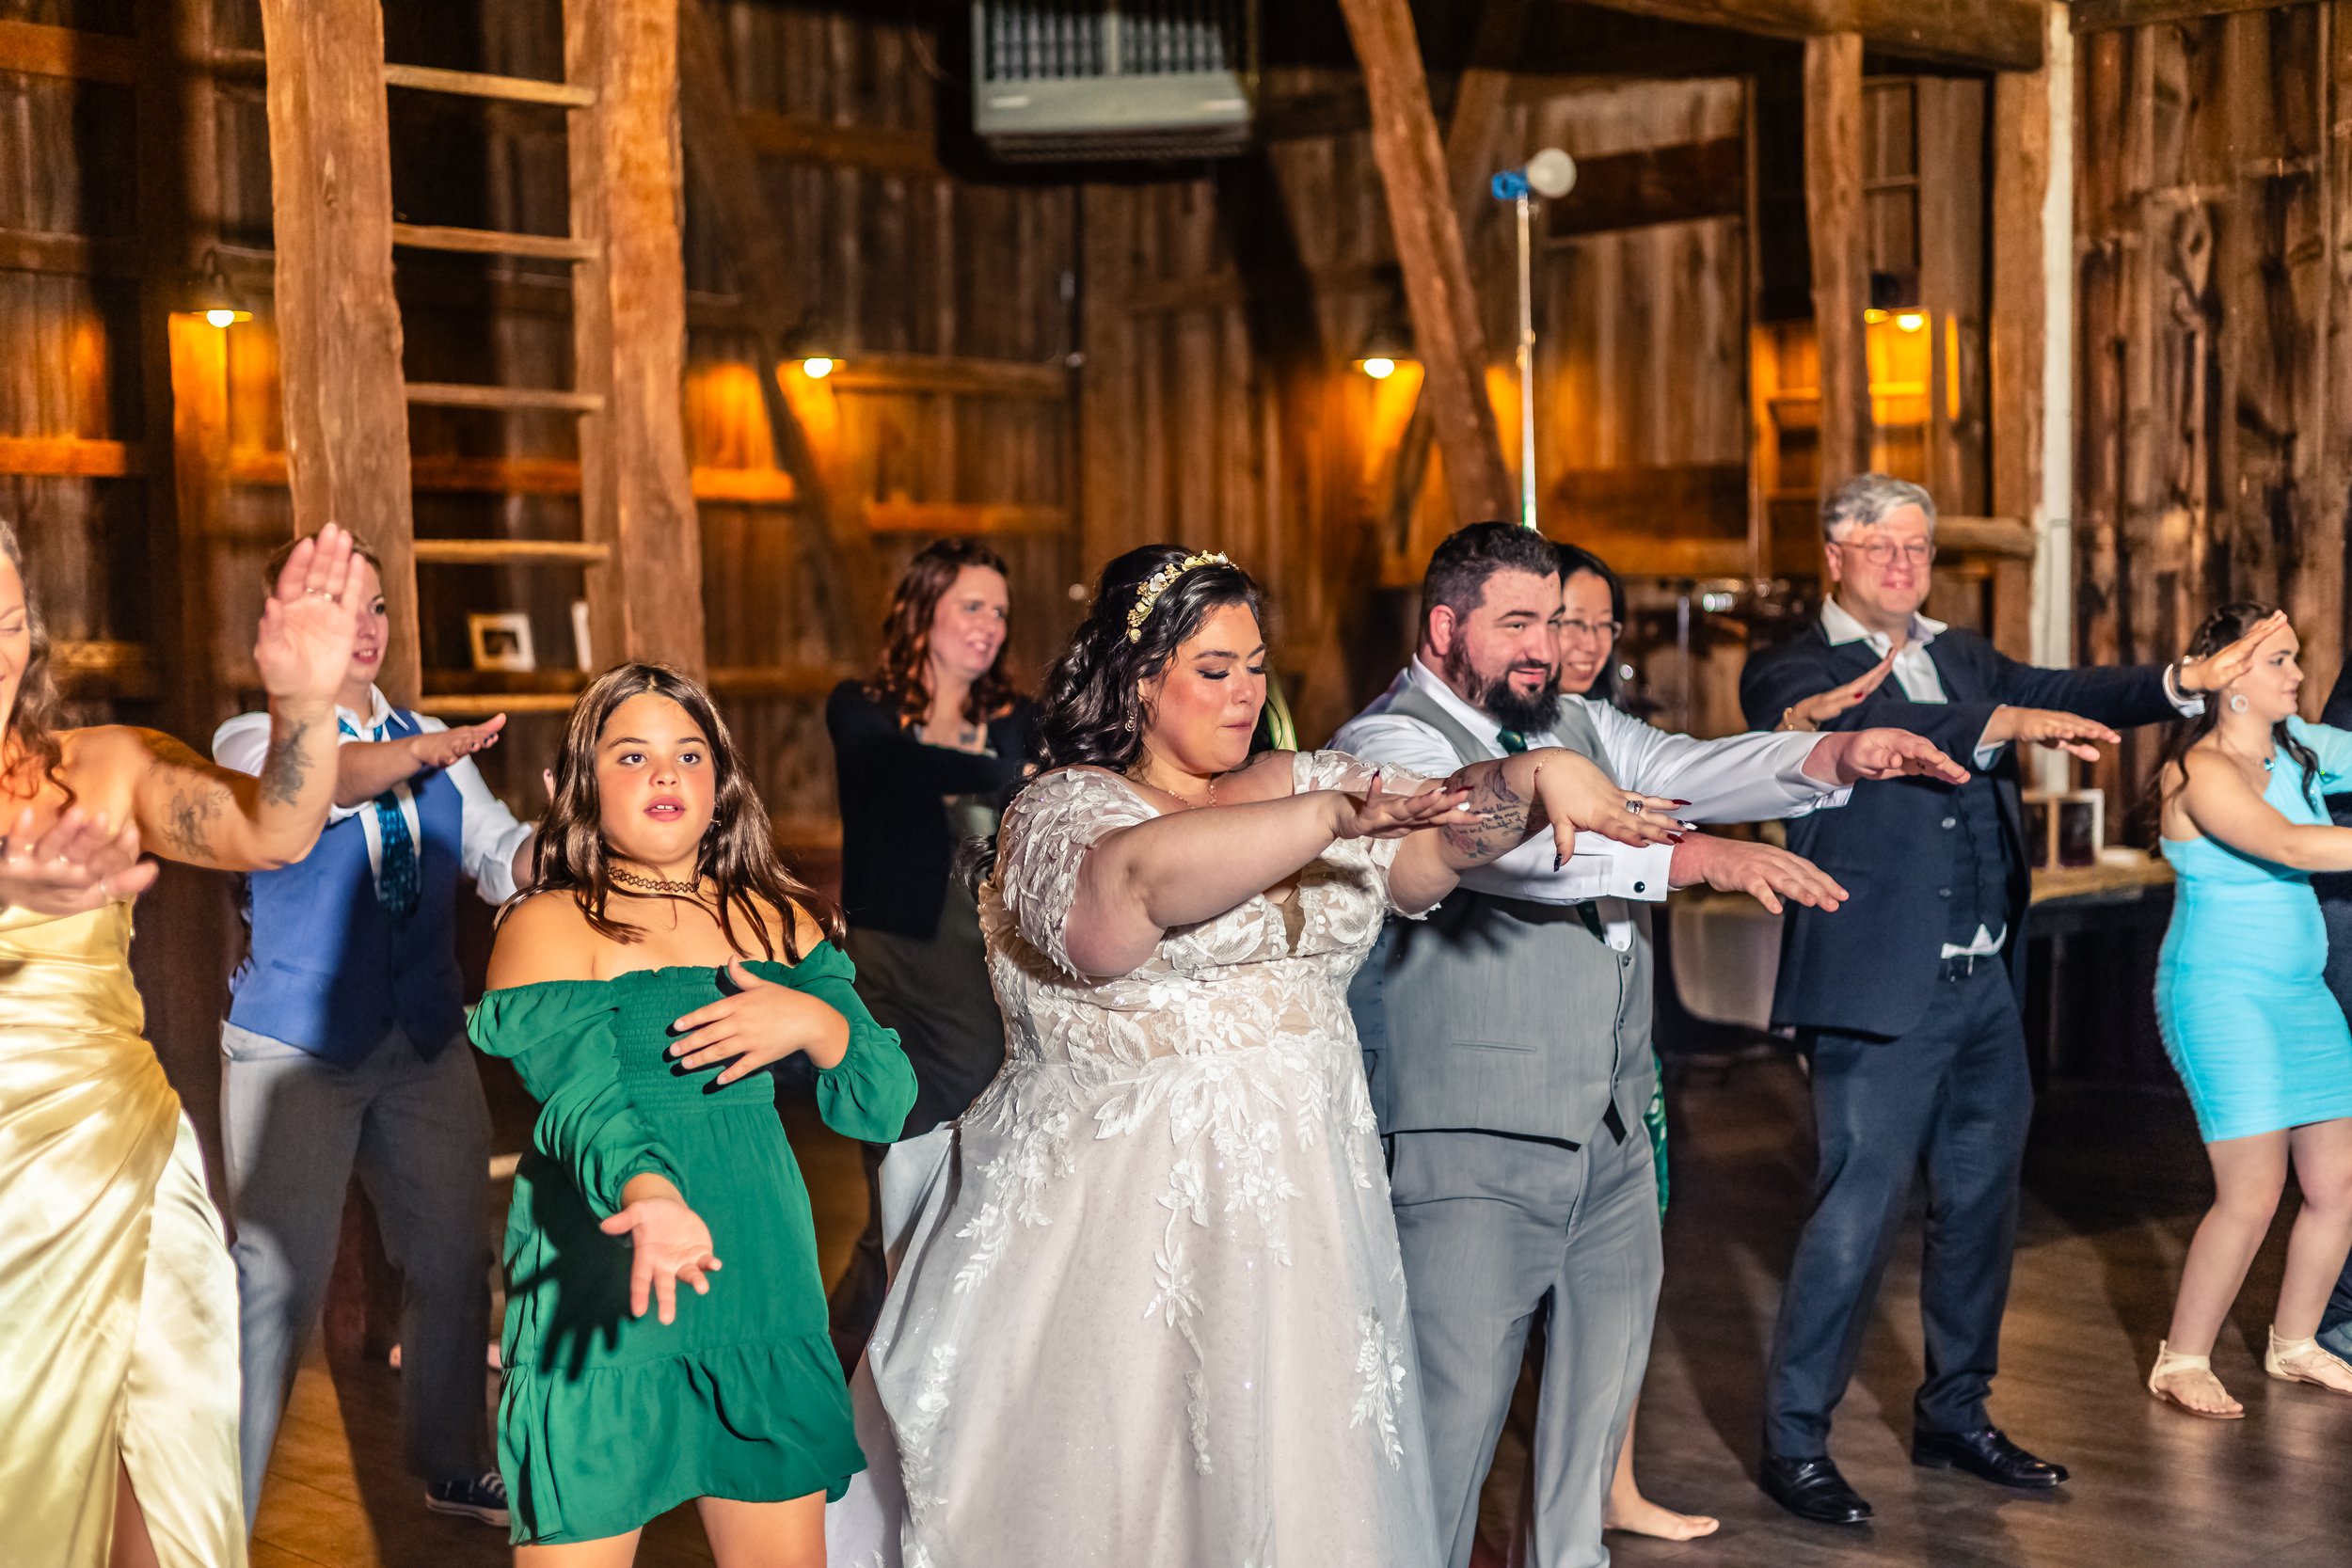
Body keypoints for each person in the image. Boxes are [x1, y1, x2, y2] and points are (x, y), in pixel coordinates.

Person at [832, 544, 1685, 1568]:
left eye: (1256, 665)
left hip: (1301, 1212)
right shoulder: (1062, 809)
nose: (1246, 693)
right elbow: (1123, 907)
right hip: (1122, 1227)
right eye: (1214, 668)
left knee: (1289, 1483)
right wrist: (1325, 817)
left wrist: (1532, 775)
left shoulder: (1297, 776)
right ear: (1140, 678)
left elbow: (1429, 849)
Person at [1333, 523, 1963, 1568]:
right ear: (1445, 626)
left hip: (1613, 1125)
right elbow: (1521, 857)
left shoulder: (1573, 715)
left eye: (1560, 621)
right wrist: (1688, 861)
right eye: (1519, 623)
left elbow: (1690, 767)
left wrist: (1830, 755)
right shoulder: (1389, 742)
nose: (1546, 646)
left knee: (1592, 1421)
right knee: (1447, 1429)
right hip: (1471, 1138)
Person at [1737, 473, 2280, 1526]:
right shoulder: (1789, 666)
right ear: (1835, 555)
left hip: (1983, 979)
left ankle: (1955, 1412)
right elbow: (1882, 720)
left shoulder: (1970, 648)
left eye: (1919, 548)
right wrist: (2007, 716)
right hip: (1876, 990)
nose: (1903, 565)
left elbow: (2068, 686)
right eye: (1881, 546)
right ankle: (1794, 1442)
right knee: (1852, 1219)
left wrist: (2179, 679)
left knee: (1980, 1209)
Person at [469, 661, 915, 1563]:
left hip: (756, 1283)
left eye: (689, 753)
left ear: (721, 783)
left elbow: (882, 1099)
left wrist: (818, 1021)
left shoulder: (780, 920)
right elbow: (581, 1099)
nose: (666, 773)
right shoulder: (547, 923)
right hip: (603, 1281)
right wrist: (653, 1192)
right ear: (579, 787)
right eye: (631, 755)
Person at [0, 521, 364, 1568]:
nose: (2, 652)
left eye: (14, 622)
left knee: (164, 1511)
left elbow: (274, 830)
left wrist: (301, 705)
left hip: (131, 1172)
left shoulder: (99, 768)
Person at [214, 536, 534, 1528]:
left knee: (451, 1257)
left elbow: (497, 854)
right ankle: (215, 1498)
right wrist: (421, 755)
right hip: (293, 1050)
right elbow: (326, 786)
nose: (365, 624)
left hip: (424, 1038)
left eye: (378, 606)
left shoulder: (430, 730)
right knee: (274, 1279)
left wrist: (563, 842)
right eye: (336, 602)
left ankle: (447, 1456)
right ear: (281, 622)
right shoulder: (244, 741)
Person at [824, 540, 1037, 1365]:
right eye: (972, 606)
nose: (991, 625)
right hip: (884, 967)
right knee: (890, 1149)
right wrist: (999, 770)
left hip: (977, 966)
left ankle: (954, 1334)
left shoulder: (1019, 717)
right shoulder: (862, 707)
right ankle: (882, 1349)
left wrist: (1010, 765)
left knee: (982, 1143)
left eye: (1000, 612)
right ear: (924, 611)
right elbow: (888, 768)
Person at [2142, 604, 2352, 1417]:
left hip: (2300, 996)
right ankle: (2181, 1357)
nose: (2299, 676)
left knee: (2338, 1183)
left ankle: (2295, 1342)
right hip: (2221, 996)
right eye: (2281, 662)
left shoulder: (2301, 749)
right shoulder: (2199, 772)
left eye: (2296, 658)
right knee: (2254, 1192)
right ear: (2230, 679)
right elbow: (2293, 846)